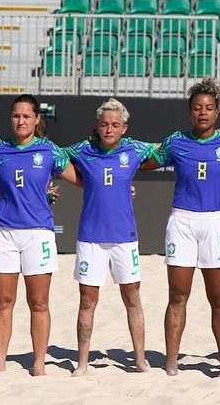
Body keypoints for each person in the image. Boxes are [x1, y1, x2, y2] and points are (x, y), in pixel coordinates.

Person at [139, 78, 220, 377]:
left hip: (216, 222)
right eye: (197, 107)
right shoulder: (176, 141)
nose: (203, 112)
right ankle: (171, 363)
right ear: (189, 112)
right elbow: (143, 162)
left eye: (208, 107)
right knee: (177, 296)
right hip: (182, 222)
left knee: (219, 298)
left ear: (217, 112)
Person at [63, 98, 155, 376]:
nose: (109, 129)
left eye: (115, 124)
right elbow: (53, 155)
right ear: (97, 126)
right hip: (91, 237)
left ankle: (140, 359)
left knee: (132, 297)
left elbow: (168, 148)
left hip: (124, 237)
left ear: (124, 128)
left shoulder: (135, 149)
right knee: (87, 301)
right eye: (104, 124)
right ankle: (82, 363)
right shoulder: (83, 150)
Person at [0, 94, 73, 376]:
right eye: (15, 116)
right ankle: (0, 362)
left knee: (39, 303)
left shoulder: (50, 150)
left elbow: (83, 179)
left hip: (38, 233)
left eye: (26, 116)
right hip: (4, 232)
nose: (20, 121)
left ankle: (39, 363)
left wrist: (121, 187)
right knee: (3, 302)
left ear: (37, 119)